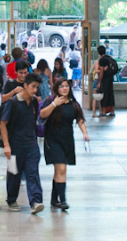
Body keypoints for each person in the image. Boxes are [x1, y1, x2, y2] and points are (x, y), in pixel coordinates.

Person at [39, 78, 89, 210]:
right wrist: (54, 104)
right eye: (61, 86)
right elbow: (42, 114)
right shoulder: (50, 101)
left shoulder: (73, 104)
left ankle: (54, 199)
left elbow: (80, 119)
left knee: (58, 170)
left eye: (66, 86)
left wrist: (85, 133)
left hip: (66, 140)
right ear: (56, 89)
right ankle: (63, 200)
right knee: (61, 169)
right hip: (52, 140)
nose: (65, 88)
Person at [0, 73, 44, 214]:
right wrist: (6, 145)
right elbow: (2, 124)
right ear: (25, 86)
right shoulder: (12, 103)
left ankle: (35, 201)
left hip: (31, 144)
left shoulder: (35, 102)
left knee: (32, 173)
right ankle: (11, 199)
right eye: (33, 87)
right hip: (14, 145)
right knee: (14, 174)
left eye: (37, 87)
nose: (35, 90)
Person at [97, 45, 117, 117]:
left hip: (105, 80)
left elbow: (101, 72)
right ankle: (112, 111)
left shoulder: (102, 60)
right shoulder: (109, 58)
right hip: (110, 79)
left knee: (104, 95)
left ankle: (103, 112)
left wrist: (99, 82)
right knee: (110, 95)